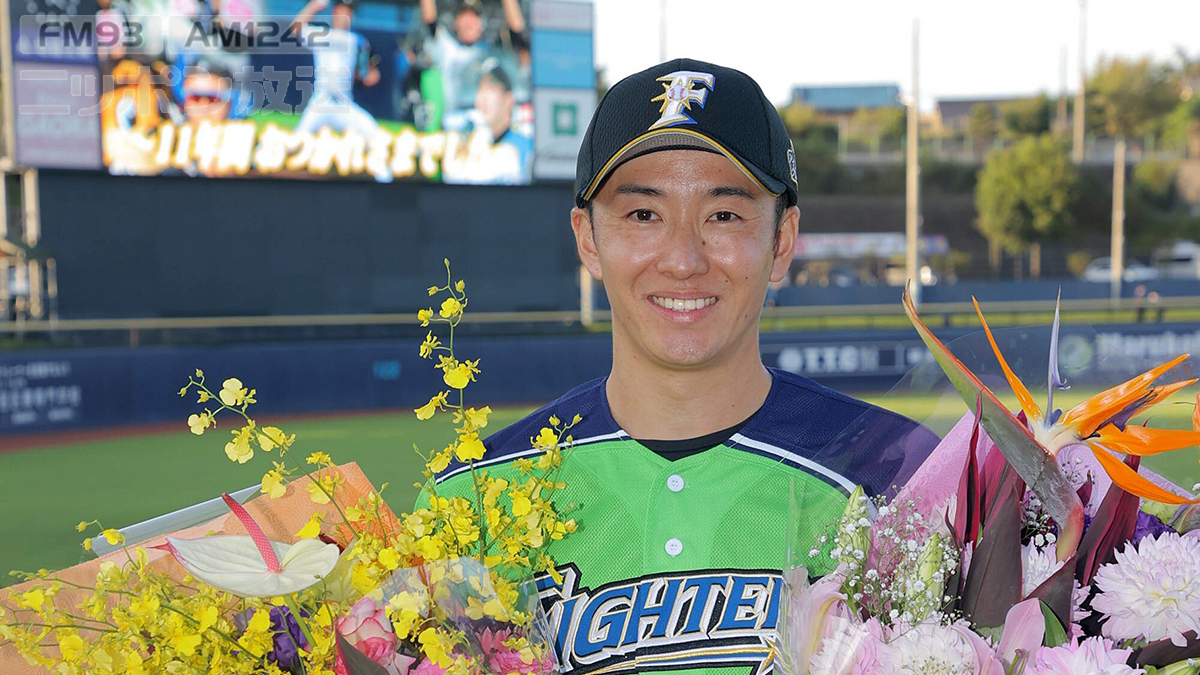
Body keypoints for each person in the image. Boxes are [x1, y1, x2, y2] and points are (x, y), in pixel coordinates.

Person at [429, 59, 937, 675]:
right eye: (644, 214)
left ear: (781, 241)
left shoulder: (902, 474)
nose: (683, 259)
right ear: (588, 238)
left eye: (723, 215)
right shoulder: (474, 497)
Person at [291, 0, 383, 141]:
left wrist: (364, 75)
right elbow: (295, 29)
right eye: (342, 10)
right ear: (334, 11)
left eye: (348, 11)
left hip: (343, 104)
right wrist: (314, 6)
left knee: (375, 134)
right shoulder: (321, 35)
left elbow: (372, 74)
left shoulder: (357, 40)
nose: (345, 14)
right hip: (320, 103)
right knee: (296, 139)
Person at [417, 0, 526, 119]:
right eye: (464, 18)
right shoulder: (447, 48)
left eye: (473, 18)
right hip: (455, 118)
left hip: (488, 118)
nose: (469, 23)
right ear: (456, 23)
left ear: (481, 24)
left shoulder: (491, 51)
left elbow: (517, 32)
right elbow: (430, 21)